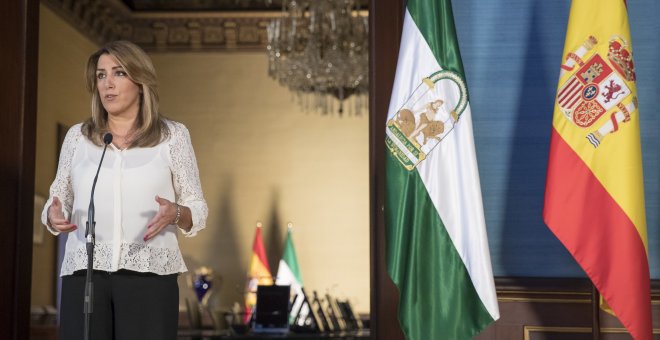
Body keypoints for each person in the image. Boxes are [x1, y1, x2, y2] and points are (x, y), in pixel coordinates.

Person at [41, 40, 208, 340]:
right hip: (86, 276)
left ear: (140, 81)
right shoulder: (78, 138)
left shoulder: (173, 136)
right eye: (101, 75)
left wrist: (176, 213)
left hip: (149, 279)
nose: (108, 84)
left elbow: (197, 207)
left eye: (118, 73)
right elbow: (58, 198)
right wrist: (53, 215)